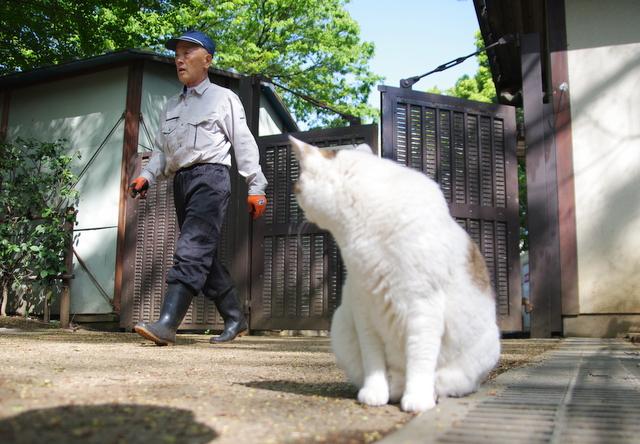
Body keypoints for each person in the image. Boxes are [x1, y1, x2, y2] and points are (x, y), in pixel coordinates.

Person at [129, 30, 267, 346]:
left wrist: (255, 185)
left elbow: (243, 143)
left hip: (211, 179)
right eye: (177, 53)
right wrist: (147, 176)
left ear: (207, 59)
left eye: (188, 52)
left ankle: (167, 324)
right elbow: (163, 152)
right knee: (203, 253)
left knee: (192, 248)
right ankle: (235, 317)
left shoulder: (223, 98)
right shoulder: (171, 106)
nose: (180, 59)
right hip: (181, 181)